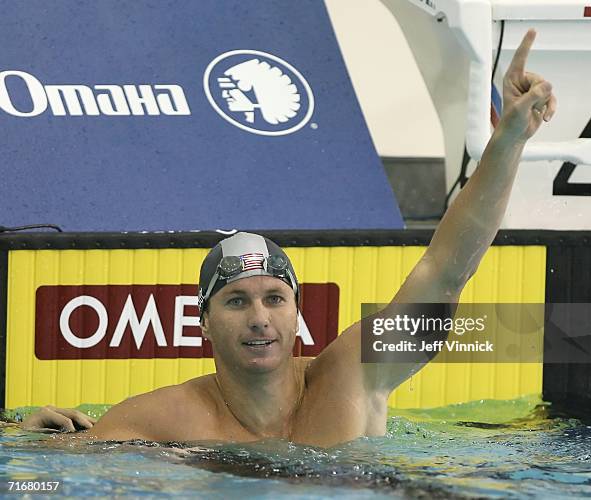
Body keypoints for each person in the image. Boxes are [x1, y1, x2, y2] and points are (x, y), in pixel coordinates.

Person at [22, 30, 556, 447]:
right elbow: (35, 479)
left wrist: (508, 141)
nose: (259, 317)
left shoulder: (356, 375)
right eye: (236, 301)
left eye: (274, 298)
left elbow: (446, 269)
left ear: (297, 311)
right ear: (203, 321)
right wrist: (25, 438)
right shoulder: (160, 418)